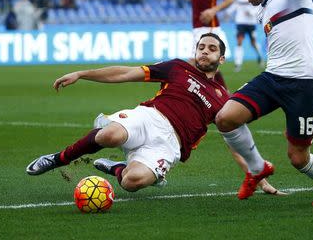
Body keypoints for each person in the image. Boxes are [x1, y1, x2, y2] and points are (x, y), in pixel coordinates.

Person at [26, 33, 279, 194]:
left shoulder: (224, 98)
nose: (204, 51)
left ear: (221, 58)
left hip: (171, 145)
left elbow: (234, 143)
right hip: (149, 117)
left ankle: (119, 169)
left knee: (131, 182)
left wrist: (257, 174)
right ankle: (57, 158)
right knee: (109, 135)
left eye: (211, 48)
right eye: (201, 46)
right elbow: (126, 73)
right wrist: (82, 74)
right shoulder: (178, 68)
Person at [215, 0, 313, 206]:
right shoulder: (262, 11)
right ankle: (257, 168)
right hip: (273, 78)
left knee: (298, 158)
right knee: (225, 118)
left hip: (306, 82)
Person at [149, 0, 234, 88]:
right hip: (197, 26)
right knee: (205, 64)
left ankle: (173, 87)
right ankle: (223, 95)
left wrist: (213, 10)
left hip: (209, 27)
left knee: (195, 62)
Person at [225, 0, 264, 72]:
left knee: (253, 42)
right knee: (239, 42)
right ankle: (238, 64)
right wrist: (228, 12)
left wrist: (252, 13)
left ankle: (260, 56)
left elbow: (258, 5)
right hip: (240, 22)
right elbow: (236, 4)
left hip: (251, 23)